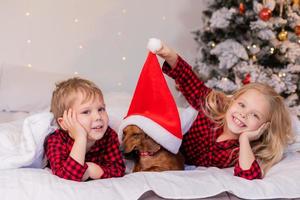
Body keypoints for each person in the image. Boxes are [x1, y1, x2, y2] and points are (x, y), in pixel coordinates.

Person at [147, 38, 294, 180]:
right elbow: (188, 79)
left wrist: (244, 139)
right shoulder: (212, 108)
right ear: (232, 101)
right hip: (166, 147)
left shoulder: (243, 151)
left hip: (178, 165)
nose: (243, 114)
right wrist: (169, 55)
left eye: (255, 115)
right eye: (242, 105)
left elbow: (248, 175)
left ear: (264, 127)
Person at [44, 77, 125, 181]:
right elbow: (67, 176)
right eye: (86, 112)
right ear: (64, 123)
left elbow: (118, 170)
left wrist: (91, 169)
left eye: (101, 109)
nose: (98, 117)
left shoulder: (109, 136)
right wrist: (80, 138)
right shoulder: (56, 140)